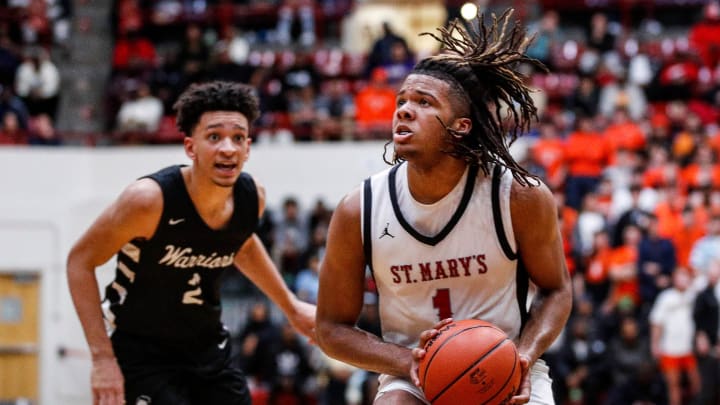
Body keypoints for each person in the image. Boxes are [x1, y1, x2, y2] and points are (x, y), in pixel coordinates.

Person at [315, 10, 572, 404]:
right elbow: (332, 328)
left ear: (461, 125)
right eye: (401, 100)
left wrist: (522, 356)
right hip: (410, 377)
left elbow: (556, 290)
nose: (403, 109)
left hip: (506, 365)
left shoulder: (519, 196)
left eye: (423, 102)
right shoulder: (359, 209)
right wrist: (409, 362)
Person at [66, 81, 315, 405]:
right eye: (214, 137)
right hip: (142, 351)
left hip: (208, 347)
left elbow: (242, 244)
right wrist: (102, 359)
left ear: (248, 148)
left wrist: (291, 307)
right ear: (190, 146)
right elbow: (79, 262)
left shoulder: (251, 198)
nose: (228, 148)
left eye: (238, 138)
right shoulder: (147, 201)